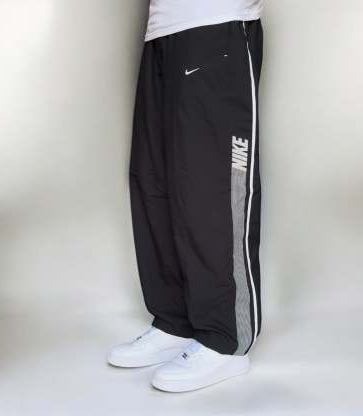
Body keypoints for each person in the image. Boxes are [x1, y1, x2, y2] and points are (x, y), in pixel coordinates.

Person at [108, 0, 264, 392]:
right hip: (161, 32)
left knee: (213, 187)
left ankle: (225, 338)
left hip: (217, 26)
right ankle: (175, 321)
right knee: (155, 182)